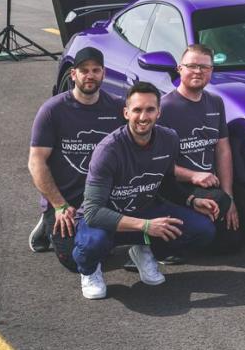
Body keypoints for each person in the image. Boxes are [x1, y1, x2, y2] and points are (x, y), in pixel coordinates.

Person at [73, 82, 219, 299]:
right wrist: (146, 226)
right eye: (137, 110)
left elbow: (167, 182)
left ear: (159, 112)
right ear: (126, 112)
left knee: (203, 229)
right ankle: (90, 270)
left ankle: (142, 248)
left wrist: (191, 201)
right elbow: (93, 212)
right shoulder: (108, 150)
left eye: (150, 109)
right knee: (93, 244)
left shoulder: (169, 138)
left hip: (144, 209)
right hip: (106, 216)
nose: (143, 116)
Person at [27, 47, 124, 271]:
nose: (90, 75)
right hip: (66, 201)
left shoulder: (118, 108)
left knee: (103, 247)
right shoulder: (53, 110)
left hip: (102, 198)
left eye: (95, 70)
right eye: (83, 70)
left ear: (103, 73)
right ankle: (48, 218)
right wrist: (59, 205)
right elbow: (36, 162)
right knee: (75, 259)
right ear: (73, 74)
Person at [158, 43, 240, 250]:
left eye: (204, 67)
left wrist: (229, 197)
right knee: (207, 229)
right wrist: (193, 175)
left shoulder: (215, 102)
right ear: (180, 69)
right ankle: (155, 246)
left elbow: (223, 149)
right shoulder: (164, 108)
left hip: (209, 186)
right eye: (192, 66)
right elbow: (154, 163)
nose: (198, 71)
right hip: (176, 185)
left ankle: (201, 226)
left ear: (211, 71)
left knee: (230, 244)